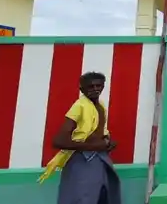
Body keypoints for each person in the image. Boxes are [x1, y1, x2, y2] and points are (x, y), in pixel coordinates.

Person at [38, 71, 121, 204]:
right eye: (91, 87)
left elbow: (99, 130)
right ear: (82, 89)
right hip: (82, 159)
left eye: (99, 86)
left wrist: (107, 142)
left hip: (100, 158)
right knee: (81, 197)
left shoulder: (101, 106)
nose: (95, 89)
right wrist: (91, 146)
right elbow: (59, 141)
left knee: (104, 195)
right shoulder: (79, 106)